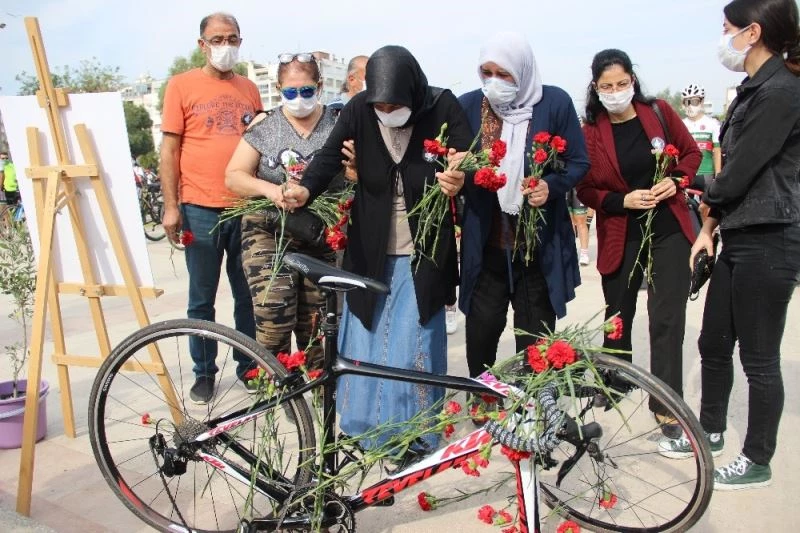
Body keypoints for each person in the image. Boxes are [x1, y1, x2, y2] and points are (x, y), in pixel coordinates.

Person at [283, 45, 472, 453]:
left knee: (412, 343)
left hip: (423, 249)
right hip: (370, 247)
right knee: (366, 337)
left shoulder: (442, 106)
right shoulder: (359, 109)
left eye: (395, 105)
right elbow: (329, 157)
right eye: (380, 105)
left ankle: (416, 435)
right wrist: (305, 189)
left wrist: (459, 178)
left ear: (413, 92)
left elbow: (467, 160)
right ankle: (365, 428)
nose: (387, 111)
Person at [660, 0, 800, 491]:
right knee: (714, 341)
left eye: (727, 29)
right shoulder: (751, 90)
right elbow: (734, 173)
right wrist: (708, 228)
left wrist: (696, 189)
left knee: (759, 357)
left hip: (770, 236)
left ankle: (757, 459)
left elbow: (740, 170)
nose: (723, 39)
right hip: (739, 232)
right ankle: (710, 432)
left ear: (752, 32)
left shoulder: (781, 91)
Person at [576, 49, 701, 430]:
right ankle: (615, 379)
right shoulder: (591, 131)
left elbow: (691, 154)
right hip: (621, 229)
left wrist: (675, 180)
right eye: (607, 86)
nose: (616, 92)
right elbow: (586, 189)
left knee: (667, 317)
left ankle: (665, 400)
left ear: (633, 80)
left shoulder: (658, 112)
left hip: (667, 227)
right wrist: (622, 200)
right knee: (618, 310)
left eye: (622, 83)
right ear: (596, 88)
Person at [458, 32, 590, 383]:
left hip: (536, 251)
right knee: (481, 336)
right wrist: (457, 171)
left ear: (523, 71)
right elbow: (452, 163)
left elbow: (578, 162)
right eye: (487, 73)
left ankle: (533, 407)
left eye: (504, 74)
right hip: (487, 248)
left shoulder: (553, 103)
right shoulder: (468, 106)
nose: (494, 82)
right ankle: (485, 403)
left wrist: (551, 185)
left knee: (535, 346)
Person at [160, 12, 259, 404]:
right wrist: (171, 206)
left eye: (232, 38)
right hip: (199, 208)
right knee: (201, 298)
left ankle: (249, 368)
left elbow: (260, 143)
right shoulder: (181, 85)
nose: (225, 46)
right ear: (202, 45)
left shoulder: (249, 88)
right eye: (217, 39)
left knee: (247, 295)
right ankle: (204, 372)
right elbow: (169, 150)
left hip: (245, 208)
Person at [225, 53, 344, 368]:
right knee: (274, 312)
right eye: (290, 92)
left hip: (320, 233)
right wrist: (270, 190)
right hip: (269, 230)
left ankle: (318, 392)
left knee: (317, 326)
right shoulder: (266, 125)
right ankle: (277, 386)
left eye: (306, 91)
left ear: (319, 86)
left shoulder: (338, 124)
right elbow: (234, 176)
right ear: (279, 89)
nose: (299, 98)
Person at [680, 83, 722, 194]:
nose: (690, 106)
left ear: (701, 102)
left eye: (694, 102)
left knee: (708, 203)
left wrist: (718, 175)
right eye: (687, 102)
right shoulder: (680, 124)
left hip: (706, 173)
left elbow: (717, 151)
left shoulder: (712, 123)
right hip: (687, 173)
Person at [567, 188, 591, 266]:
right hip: (563, 186)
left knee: (581, 220)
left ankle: (584, 253)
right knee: (569, 221)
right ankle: (571, 251)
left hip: (578, 185)